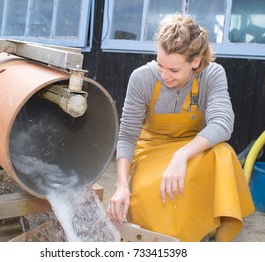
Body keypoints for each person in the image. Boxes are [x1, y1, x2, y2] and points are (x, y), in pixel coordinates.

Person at [107, 13, 255, 242]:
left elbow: (222, 123)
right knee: (148, 195)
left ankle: (214, 238)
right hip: (150, 151)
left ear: (195, 62)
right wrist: (121, 185)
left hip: (191, 148)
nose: (165, 76)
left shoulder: (212, 75)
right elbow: (127, 135)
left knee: (223, 155)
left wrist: (182, 155)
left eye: (174, 71)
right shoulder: (142, 78)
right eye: (160, 66)